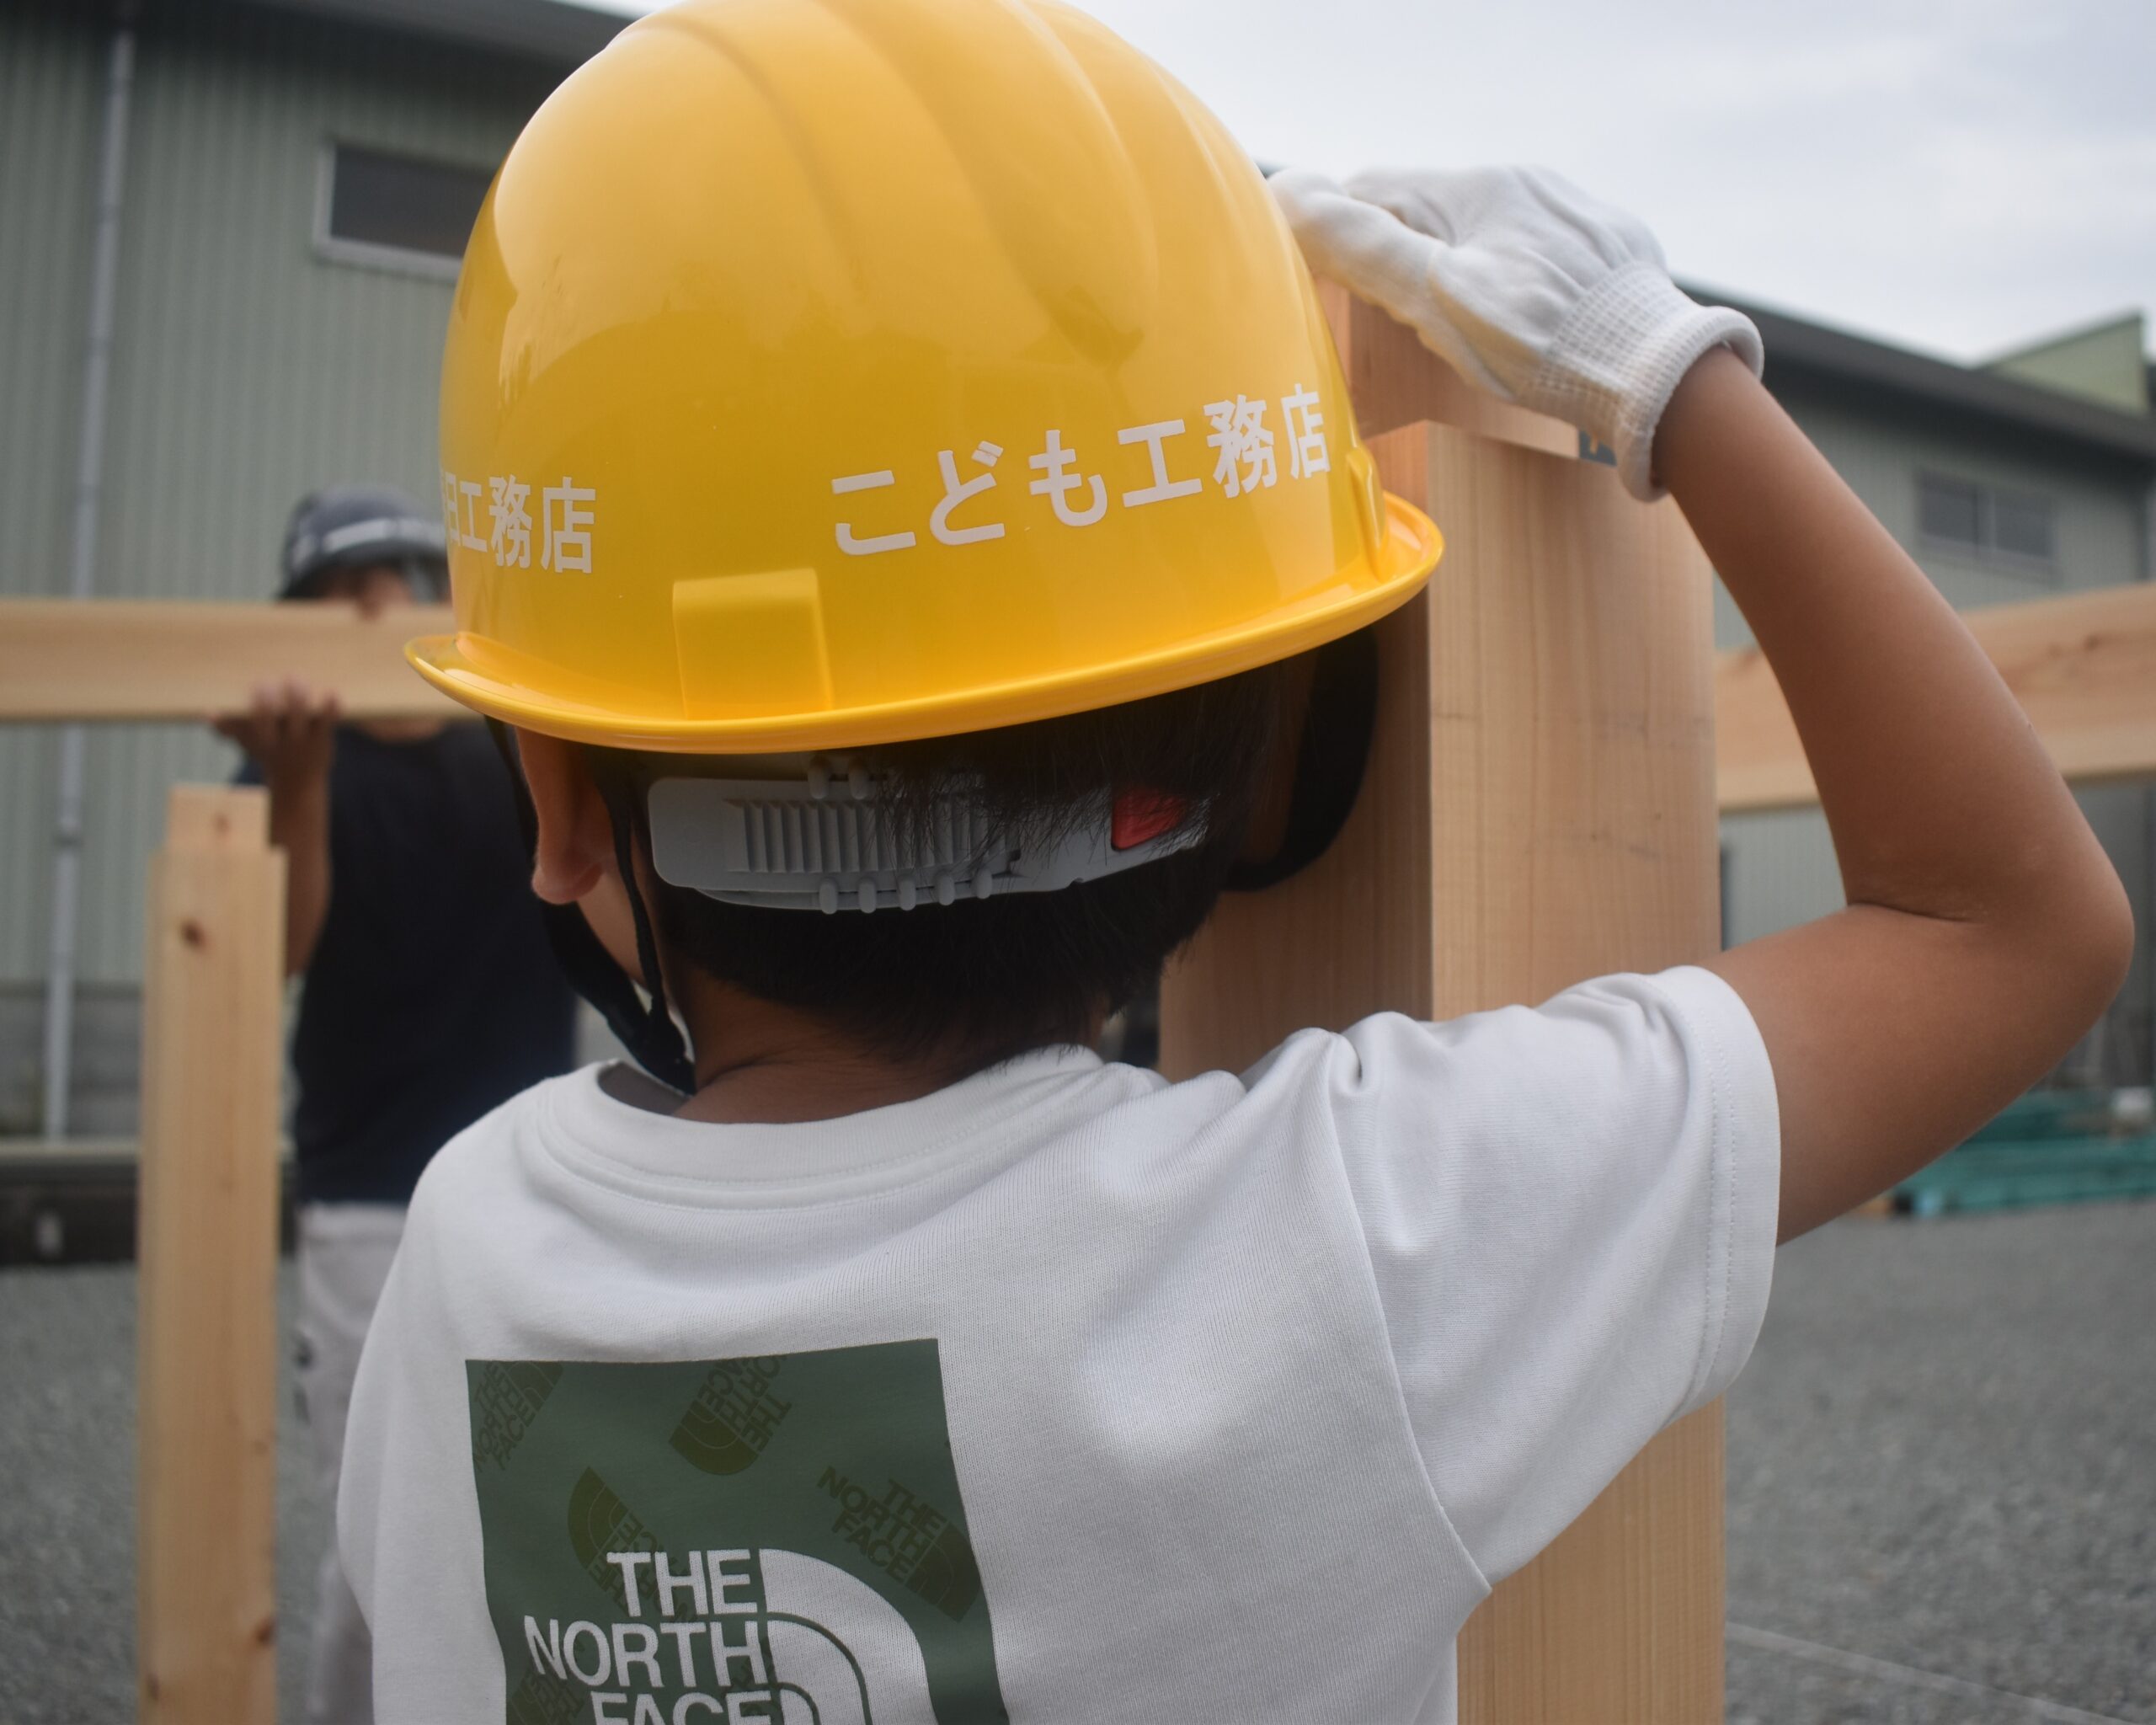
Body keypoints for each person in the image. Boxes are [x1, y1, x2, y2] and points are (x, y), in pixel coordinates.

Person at [335, 5, 2132, 1721]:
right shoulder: (1335, 1251)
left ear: (559, 799)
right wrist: (1673, 378)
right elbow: (2006, 924)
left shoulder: (456, 1265)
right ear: (1271, 771)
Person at [212, 486, 579, 1725]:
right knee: (380, 1541)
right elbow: (268, 950)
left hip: (534, 1185)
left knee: (533, 1515)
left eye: (406, 576)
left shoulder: (515, 748)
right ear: (303, 622)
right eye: (345, 588)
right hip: (368, 1190)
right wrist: (297, 785)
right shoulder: (294, 764)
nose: (378, 605)